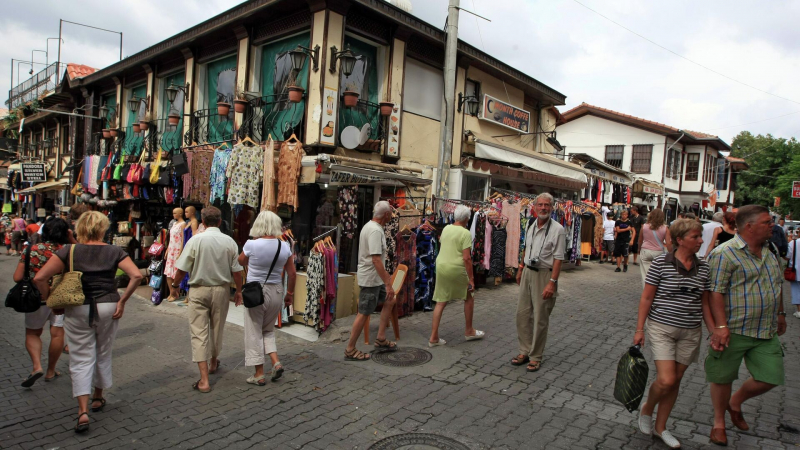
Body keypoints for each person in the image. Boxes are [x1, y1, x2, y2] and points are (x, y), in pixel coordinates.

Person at [33, 211, 143, 433]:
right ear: (103, 229)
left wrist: (50, 301)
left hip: (78, 306)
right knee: (103, 352)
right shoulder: (114, 251)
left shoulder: (69, 251)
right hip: (108, 305)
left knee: (81, 357)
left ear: (80, 228)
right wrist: (122, 301)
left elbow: (39, 278)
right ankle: (98, 396)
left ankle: (82, 411)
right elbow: (137, 276)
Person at [705, 205, 787, 446]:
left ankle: (735, 402)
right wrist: (720, 327)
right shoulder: (724, 253)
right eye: (766, 222)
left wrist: (781, 313)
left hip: (765, 328)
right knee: (722, 377)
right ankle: (718, 423)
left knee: (771, 376)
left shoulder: (770, 250)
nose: (772, 225)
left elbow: (777, 283)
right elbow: (715, 292)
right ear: (749, 226)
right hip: (734, 328)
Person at [633, 219, 714, 448]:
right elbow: (646, 297)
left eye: (700, 237)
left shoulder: (704, 267)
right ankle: (648, 407)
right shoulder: (661, 263)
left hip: (690, 331)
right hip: (662, 328)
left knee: (676, 381)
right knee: (666, 379)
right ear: (680, 240)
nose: (700, 241)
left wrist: (714, 331)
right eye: (695, 237)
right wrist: (640, 329)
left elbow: (705, 303)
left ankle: (661, 427)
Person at [171, 206, 243, 393]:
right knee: (217, 329)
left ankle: (204, 379)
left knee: (199, 333)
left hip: (198, 291)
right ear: (220, 222)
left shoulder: (196, 241)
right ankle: (213, 362)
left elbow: (181, 269)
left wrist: (175, 286)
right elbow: (237, 271)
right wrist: (239, 291)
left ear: (203, 222)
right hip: (221, 290)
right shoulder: (229, 242)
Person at [237, 211, 296, 385]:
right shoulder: (284, 246)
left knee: (254, 331)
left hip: (256, 292)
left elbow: (241, 262)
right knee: (268, 330)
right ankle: (276, 362)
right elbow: (292, 274)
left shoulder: (252, 244)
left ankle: (259, 374)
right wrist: (290, 295)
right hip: (277, 291)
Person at [14, 218, 71, 388]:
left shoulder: (30, 249)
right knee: (57, 333)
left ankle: (37, 366)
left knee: (33, 333)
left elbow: (17, 277)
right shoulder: (68, 251)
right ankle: (50, 371)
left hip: (36, 299)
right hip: (60, 299)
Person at [512, 193, 566, 373]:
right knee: (522, 314)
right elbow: (526, 247)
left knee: (540, 319)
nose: (543, 208)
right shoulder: (530, 224)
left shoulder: (558, 229)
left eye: (547, 205)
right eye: (540, 205)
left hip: (545, 275)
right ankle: (524, 350)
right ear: (534, 207)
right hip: (528, 271)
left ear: (552, 208)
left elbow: (558, 258)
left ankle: (535, 356)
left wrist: (552, 282)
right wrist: (520, 268)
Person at [344, 201, 397, 361]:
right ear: (386, 215)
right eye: (391, 213)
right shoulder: (374, 230)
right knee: (364, 313)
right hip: (370, 279)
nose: (392, 216)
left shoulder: (371, 227)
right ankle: (350, 349)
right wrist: (388, 282)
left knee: (390, 299)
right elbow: (376, 259)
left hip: (375, 278)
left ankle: (380, 338)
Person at [428, 205, 484, 347]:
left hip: (441, 265)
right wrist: (471, 279)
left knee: (441, 301)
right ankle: (469, 330)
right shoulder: (465, 233)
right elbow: (466, 258)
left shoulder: (446, 228)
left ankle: (433, 337)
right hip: (456, 267)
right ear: (466, 218)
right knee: (469, 296)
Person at [638, 208, 673, 285]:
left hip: (645, 251)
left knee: (645, 274)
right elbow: (668, 243)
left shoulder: (644, 226)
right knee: (657, 274)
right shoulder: (665, 228)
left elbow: (640, 240)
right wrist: (672, 253)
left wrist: (639, 249)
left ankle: (646, 291)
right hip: (658, 252)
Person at [164, 208, 186, 302]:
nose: (173, 215)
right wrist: (167, 249)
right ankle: (171, 293)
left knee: (176, 272)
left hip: (177, 249)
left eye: (175, 213)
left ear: (180, 214)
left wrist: (180, 252)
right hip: (171, 249)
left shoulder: (183, 224)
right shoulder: (174, 223)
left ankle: (175, 293)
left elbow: (182, 239)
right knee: (168, 273)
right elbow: (171, 238)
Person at [787, 234, 800, 319]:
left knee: (796, 290)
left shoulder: (793, 243)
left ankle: (799, 310)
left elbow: (787, 256)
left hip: (796, 271)